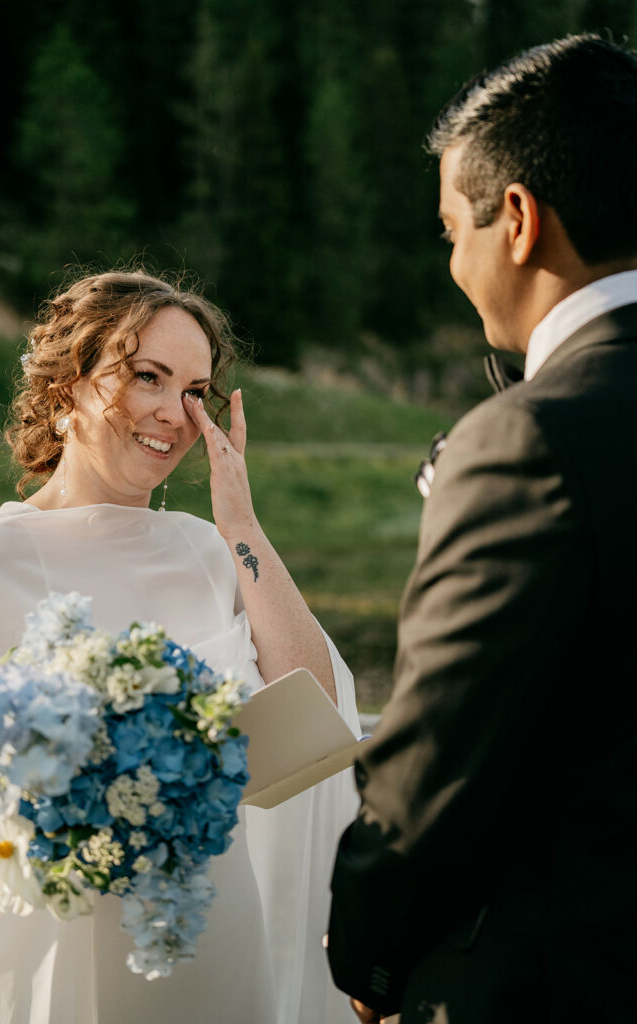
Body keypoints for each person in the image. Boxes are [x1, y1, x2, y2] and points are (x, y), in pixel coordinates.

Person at [327, 32, 637, 1024]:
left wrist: (367, 957)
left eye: (448, 230)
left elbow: (437, 751)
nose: (453, 263)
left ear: (515, 219)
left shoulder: (527, 439)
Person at [0, 269, 360, 1023]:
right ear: (68, 383)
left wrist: (240, 523)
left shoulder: (211, 551)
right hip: (57, 938)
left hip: (210, 922)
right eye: (149, 376)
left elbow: (322, 705)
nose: (176, 413)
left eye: (196, 391)